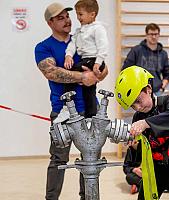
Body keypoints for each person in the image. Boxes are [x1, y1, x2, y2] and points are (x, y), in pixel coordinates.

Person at [34, 3, 108, 200]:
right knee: (59, 159)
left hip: (92, 110)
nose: (67, 20)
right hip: (62, 112)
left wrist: (97, 72)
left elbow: (103, 69)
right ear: (50, 23)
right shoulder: (43, 47)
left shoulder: (82, 38)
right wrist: (82, 77)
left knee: (89, 160)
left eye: (67, 15)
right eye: (60, 18)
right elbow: (52, 72)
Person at [115, 66, 169, 200]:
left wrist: (146, 123)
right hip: (154, 169)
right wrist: (134, 147)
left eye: (139, 101)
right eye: (133, 106)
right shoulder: (137, 117)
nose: (138, 107)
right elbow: (140, 154)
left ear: (149, 89)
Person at [64, 0, 109, 118]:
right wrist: (68, 55)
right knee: (88, 91)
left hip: (94, 60)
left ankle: (66, 105)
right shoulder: (79, 31)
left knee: (70, 73)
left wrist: (98, 63)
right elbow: (72, 44)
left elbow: (103, 47)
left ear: (92, 14)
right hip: (86, 61)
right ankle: (91, 115)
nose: (78, 17)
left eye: (81, 14)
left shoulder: (98, 29)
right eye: (77, 14)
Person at [122, 23, 169, 95]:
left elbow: (167, 74)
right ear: (146, 35)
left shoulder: (163, 54)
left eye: (156, 34)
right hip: (138, 91)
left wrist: (162, 88)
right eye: (151, 34)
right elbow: (126, 70)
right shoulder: (136, 50)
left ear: (159, 35)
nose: (153, 37)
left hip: (156, 92)